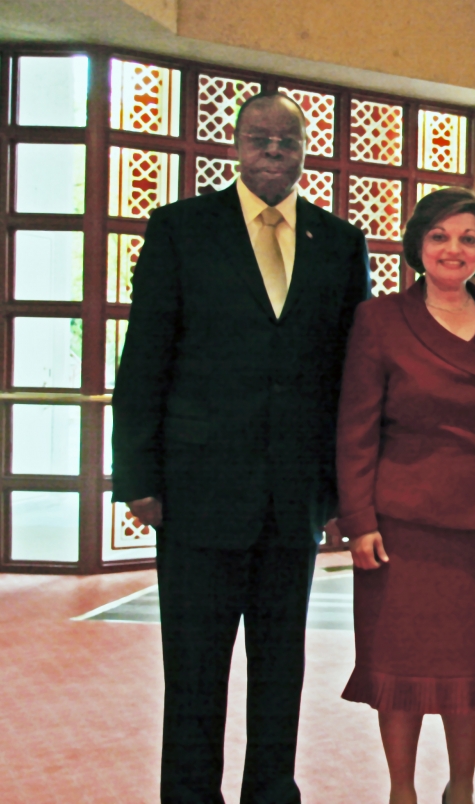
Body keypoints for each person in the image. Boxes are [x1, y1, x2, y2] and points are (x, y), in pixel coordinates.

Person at [111, 92, 370, 803]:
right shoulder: (180, 230)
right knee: (194, 667)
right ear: (236, 143)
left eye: (288, 139)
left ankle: (270, 792)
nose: (274, 150)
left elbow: (347, 377)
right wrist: (137, 474)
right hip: (196, 492)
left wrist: (344, 494)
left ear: (305, 149)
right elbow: (144, 361)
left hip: (293, 500)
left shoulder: (339, 243)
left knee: (280, 665)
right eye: (260, 137)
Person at [335, 188, 475, 804]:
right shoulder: (380, 318)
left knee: (467, 671)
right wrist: (358, 519)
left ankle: (462, 788)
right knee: (398, 672)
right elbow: (356, 425)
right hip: (400, 525)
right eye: (441, 236)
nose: (454, 248)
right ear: (419, 245)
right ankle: (402, 791)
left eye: (469, 238)